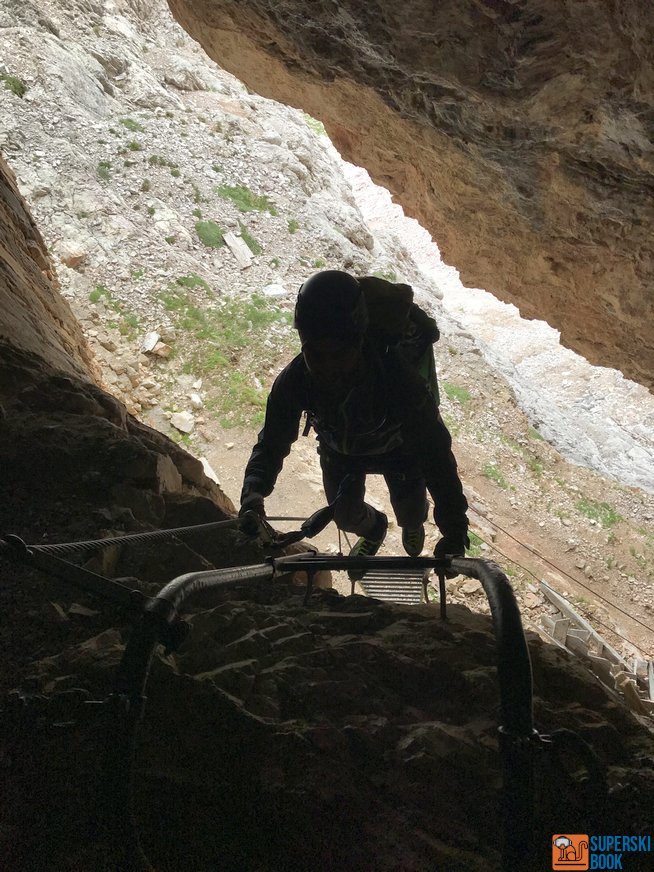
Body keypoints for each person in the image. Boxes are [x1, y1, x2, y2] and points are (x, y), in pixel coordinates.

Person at [239, 270, 469, 575]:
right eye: (317, 354)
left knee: (412, 512)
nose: (328, 367)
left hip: (396, 453)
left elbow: (435, 454)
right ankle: (375, 529)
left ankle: (411, 523)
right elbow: (272, 441)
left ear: (360, 341)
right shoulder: (296, 380)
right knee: (346, 518)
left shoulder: (397, 379)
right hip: (345, 452)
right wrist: (253, 494)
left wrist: (454, 530)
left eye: (339, 354)